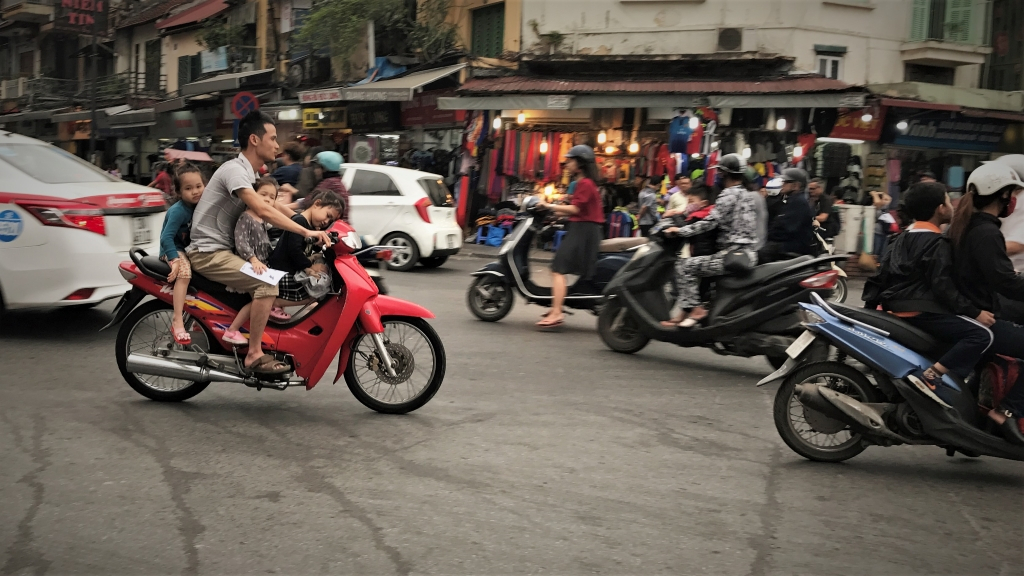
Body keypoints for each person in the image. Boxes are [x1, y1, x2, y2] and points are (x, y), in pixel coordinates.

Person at [186, 109, 332, 377]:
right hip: (209, 253)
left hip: (223, 250)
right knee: (267, 281)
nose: (277, 145)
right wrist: (305, 232)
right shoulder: (235, 171)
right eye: (273, 138)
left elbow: (274, 204)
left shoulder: (249, 175)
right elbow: (263, 211)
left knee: (276, 271)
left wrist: (310, 221)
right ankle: (254, 354)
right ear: (255, 139)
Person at [864, 182, 994, 389]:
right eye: (948, 201)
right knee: (982, 335)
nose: (952, 206)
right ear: (940, 209)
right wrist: (975, 312)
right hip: (924, 312)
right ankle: (933, 376)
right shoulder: (938, 243)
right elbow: (943, 286)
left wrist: (870, 310)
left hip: (894, 309)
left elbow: (879, 277)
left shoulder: (898, 239)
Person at [948, 161, 1024, 444]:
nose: (1014, 201)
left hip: (970, 311)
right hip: (978, 317)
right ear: (1002, 196)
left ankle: (976, 418)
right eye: (1012, 194)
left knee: (989, 358)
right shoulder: (987, 232)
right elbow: (1004, 281)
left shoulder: (967, 226)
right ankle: (1007, 412)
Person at [660, 153, 761, 328]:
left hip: (732, 254)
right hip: (748, 253)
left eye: (720, 173)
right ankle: (685, 311)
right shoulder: (748, 195)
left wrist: (680, 231)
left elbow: (710, 222)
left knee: (684, 266)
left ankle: (697, 309)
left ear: (724, 174)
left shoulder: (728, 195)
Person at [535, 145, 604, 328]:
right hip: (582, 227)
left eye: (570, 160)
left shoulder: (585, 183)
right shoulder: (585, 183)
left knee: (559, 267)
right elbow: (576, 211)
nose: (567, 164)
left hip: (584, 230)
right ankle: (556, 307)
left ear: (580, 163)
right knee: (558, 268)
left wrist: (550, 206)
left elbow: (575, 209)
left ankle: (557, 312)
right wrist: (553, 212)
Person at [222, 176, 285, 345]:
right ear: (252, 195)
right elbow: (241, 242)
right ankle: (233, 330)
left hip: (262, 263)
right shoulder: (246, 217)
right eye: (263, 194)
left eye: (272, 197)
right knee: (258, 300)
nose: (267, 199)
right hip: (251, 264)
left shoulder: (262, 220)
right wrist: (253, 260)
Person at [268, 188, 345, 306]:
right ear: (317, 204)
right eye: (327, 215)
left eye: (330, 220)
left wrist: (317, 250)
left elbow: (307, 248)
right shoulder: (300, 221)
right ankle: (273, 304)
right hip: (281, 271)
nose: (326, 221)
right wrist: (309, 268)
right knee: (318, 291)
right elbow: (294, 250)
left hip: (291, 269)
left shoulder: (311, 226)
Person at [158, 162, 206, 345]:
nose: (195, 191)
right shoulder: (178, 210)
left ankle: (196, 320)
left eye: (198, 186)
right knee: (185, 274)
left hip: (188, 250)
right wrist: (175, 259)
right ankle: (178, 321)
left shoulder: (201, 206)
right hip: (172, 250)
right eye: (188, 188)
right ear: (178, 191)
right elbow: (166, 238)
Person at [758, 168, 815, 263]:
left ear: (796, 186)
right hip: (787, 244)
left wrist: (771, 235)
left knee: (761, 254)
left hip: (792, 246)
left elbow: (787, 228)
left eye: (786, 182)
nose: (782, 185)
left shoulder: (798, 202)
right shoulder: (791, 200)